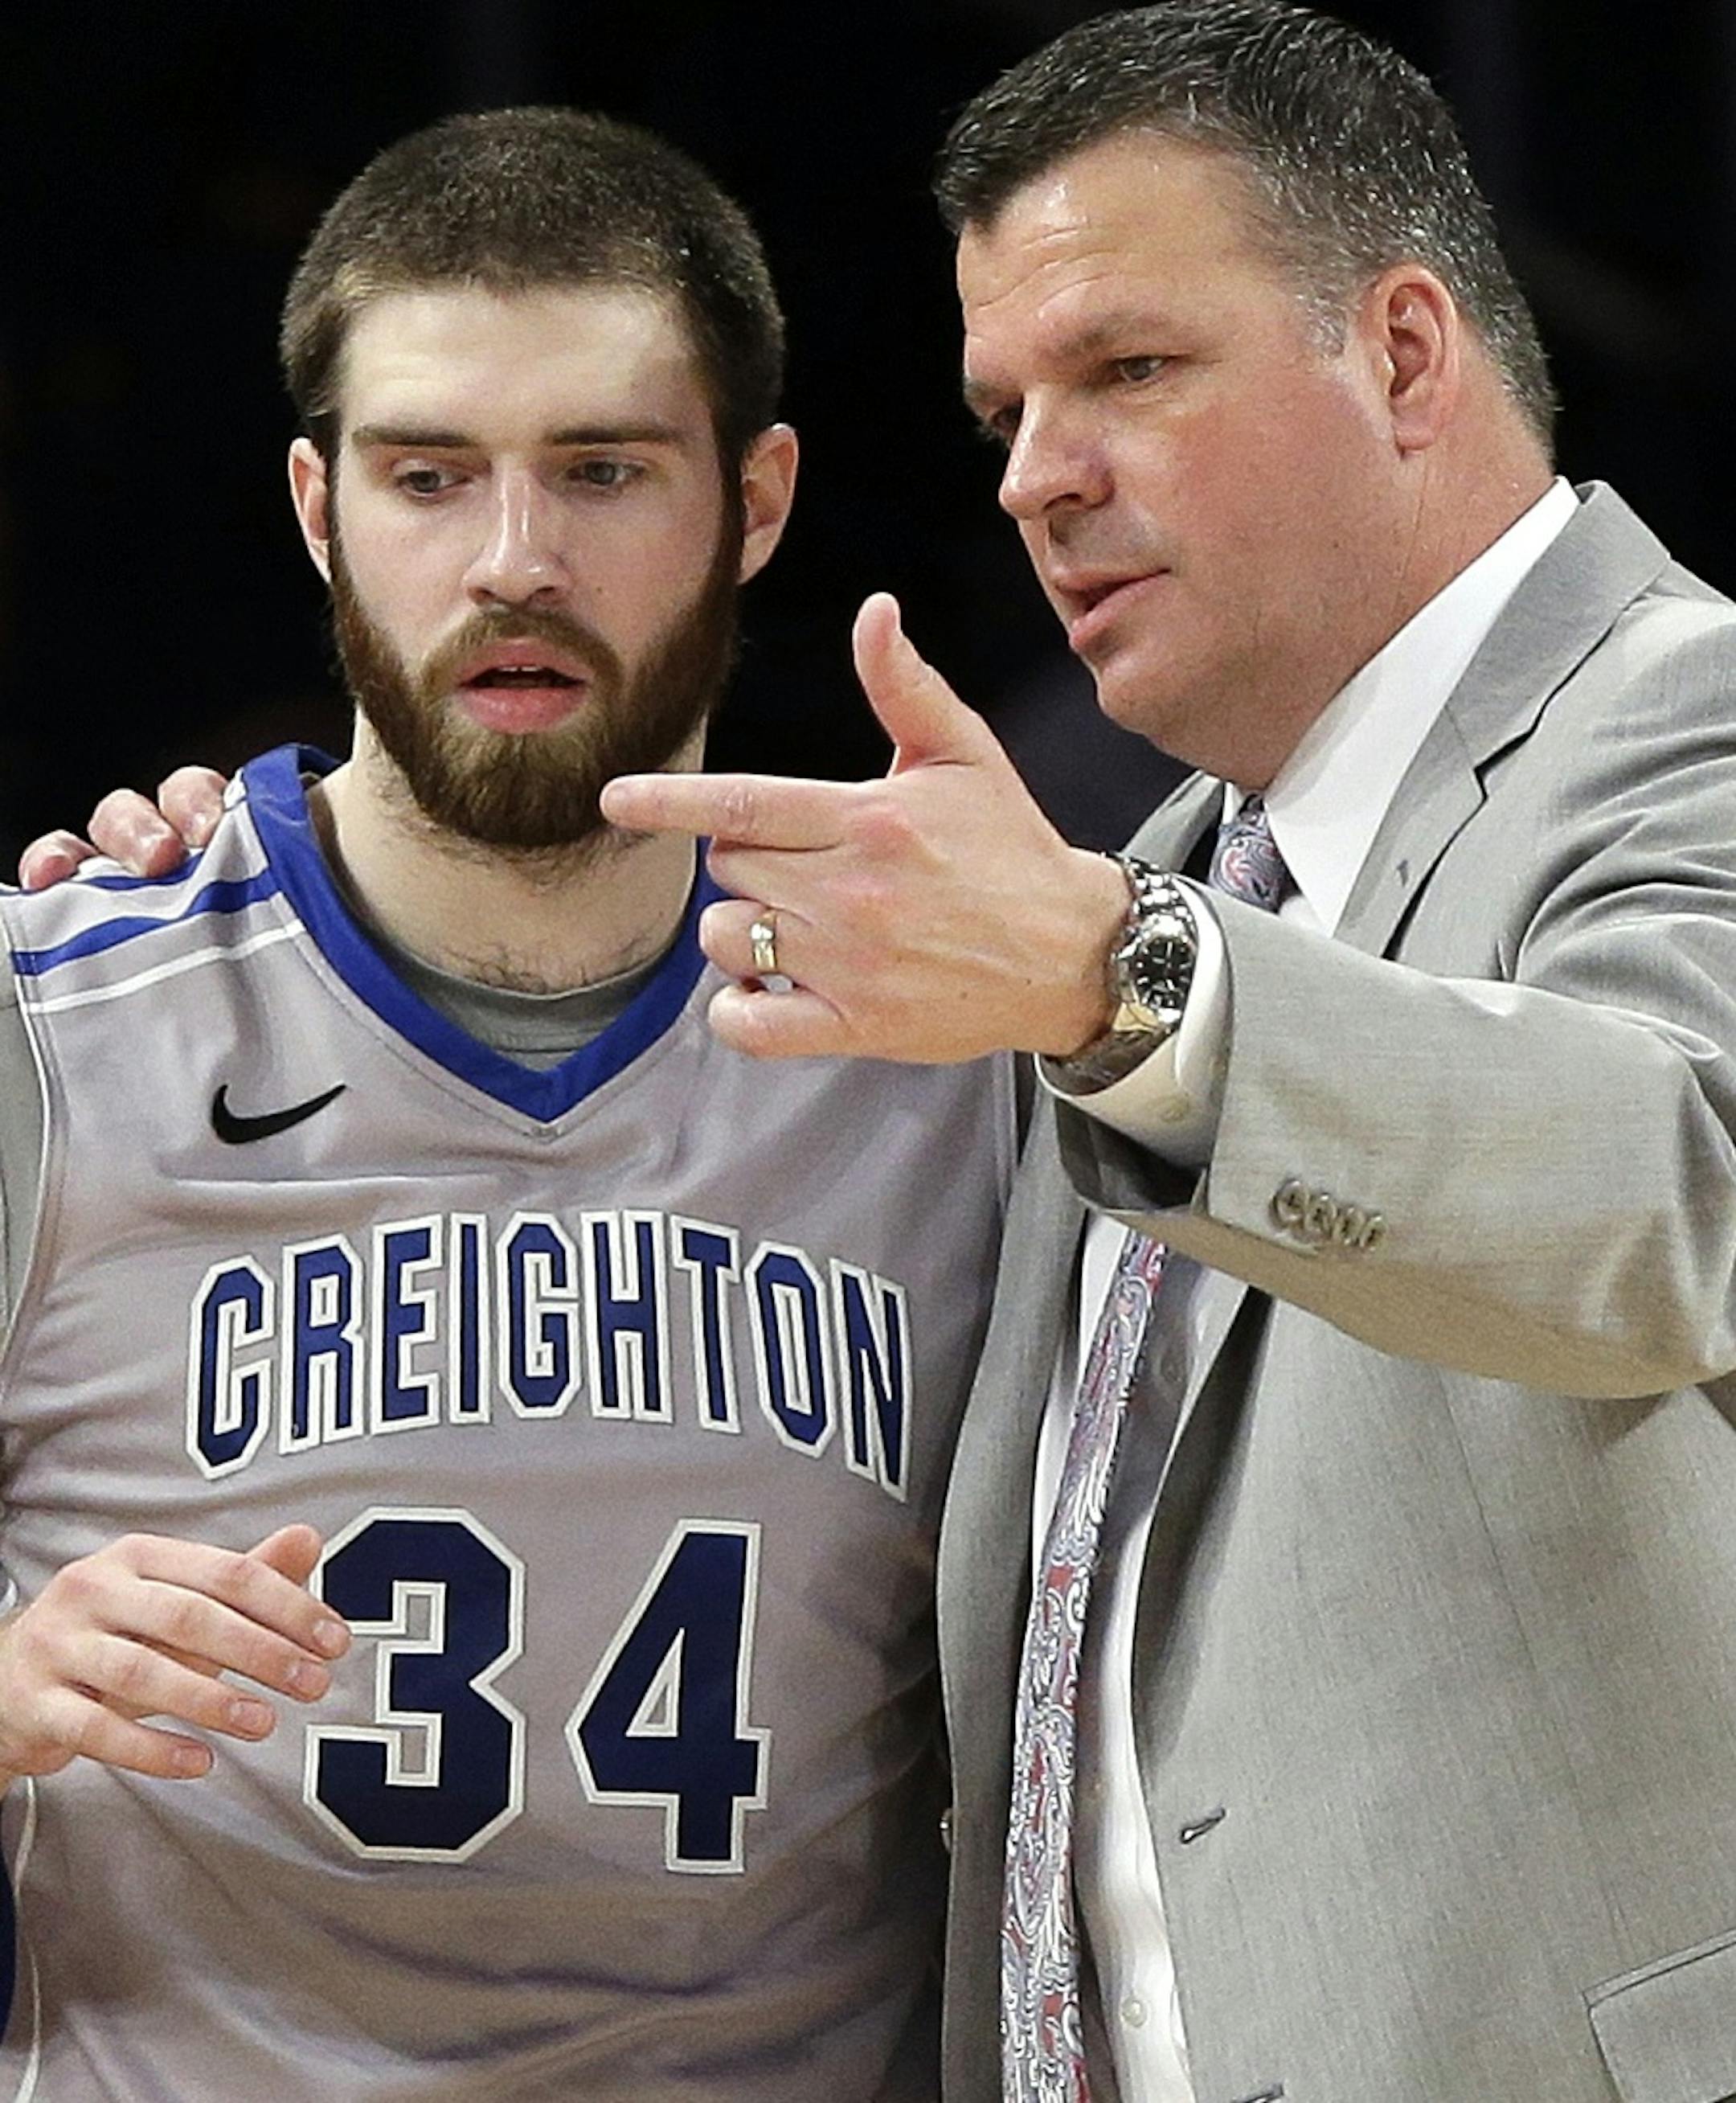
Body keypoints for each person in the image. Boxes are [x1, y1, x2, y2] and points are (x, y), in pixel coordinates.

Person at [592, 7, 1736, 2102]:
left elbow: (1675, 1186)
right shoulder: (1165, 889)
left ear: (1404, 354)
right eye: (1002, 409)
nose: (1036, 477)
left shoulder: (1689, 719)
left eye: (1127, 370)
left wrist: (1120, 978)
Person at [0, 108, 1014, 2101]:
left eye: (605, 471)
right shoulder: (52, 1025)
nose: (514, 561)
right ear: (318, 507)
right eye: (429, 475)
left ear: (760, 499)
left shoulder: (959, 1047)